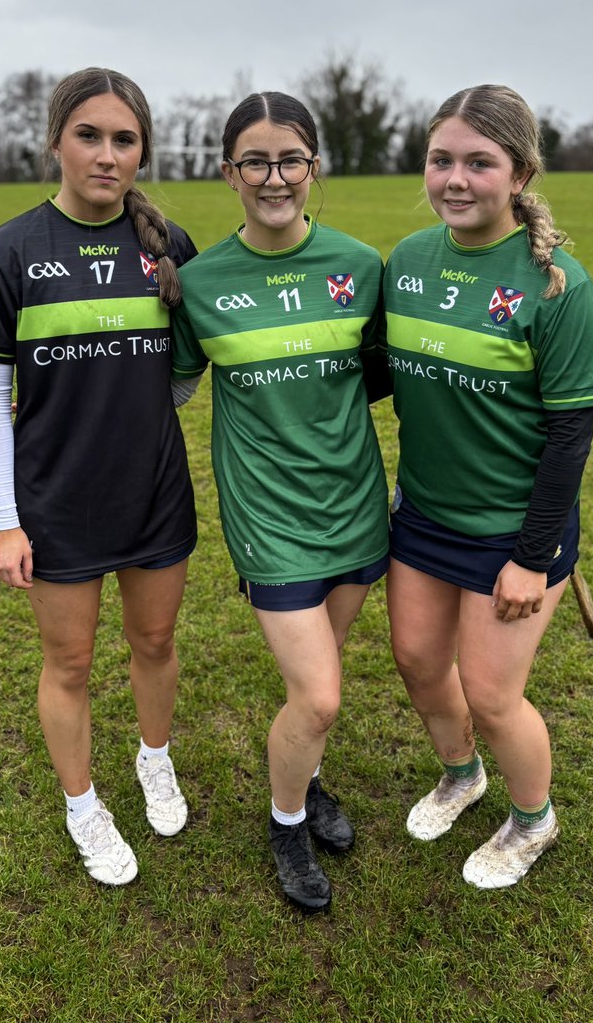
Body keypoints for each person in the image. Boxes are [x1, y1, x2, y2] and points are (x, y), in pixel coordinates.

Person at [0, 67, 197, 885]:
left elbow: (186, 365)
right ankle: (82, 806)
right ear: (55, 141)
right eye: (88, 136)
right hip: (55, 500)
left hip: (155, 488)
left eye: (124, 139)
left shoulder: (170, 247)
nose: (106, 155)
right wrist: (3, 518)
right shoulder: (8, 250)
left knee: (156, 641)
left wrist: (146, 414)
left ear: (143, 152)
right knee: (70, 665)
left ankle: (154, 759)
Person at [383, 84, 593, 888]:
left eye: (479, 163)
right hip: (424, 513)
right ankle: (460, 774)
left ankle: (532, 819)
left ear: (519, 174)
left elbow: (571, 434)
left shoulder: (557, 286)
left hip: (515, 531)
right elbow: (377, 371)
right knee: (415, 659)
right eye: (441, 159)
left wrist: (533, 554)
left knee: (491, 691)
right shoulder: (408, 262)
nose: (455, 178)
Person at [171, 92, 389, 912]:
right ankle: (286, 822)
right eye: (254, 161)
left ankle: (310, 777)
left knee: (320, 682)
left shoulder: (363, 267)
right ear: (229, 173)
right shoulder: (197, 283)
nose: (274, 178)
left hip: (357, 508)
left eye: (289, 159)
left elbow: (395, 373)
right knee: (320, 694)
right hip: (270, 520)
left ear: (313, 167)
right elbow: (167, 393)